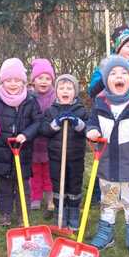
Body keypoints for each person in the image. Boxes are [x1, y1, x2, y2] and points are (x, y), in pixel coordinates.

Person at [86, 56, 129, 257]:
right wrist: (91, 131)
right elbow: (93, 122)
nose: (119, 76)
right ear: (107, 79)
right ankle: (106, 233)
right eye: (114, 74)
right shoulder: (100, 101)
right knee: (108, 200)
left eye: (124, 73)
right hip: (107, 163)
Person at [0, 58, 42, 227]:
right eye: (8, 80)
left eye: (17, 80)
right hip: (2, 151)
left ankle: (23, 215)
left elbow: (38, 121)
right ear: (2, 81)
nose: (12, 84)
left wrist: (26, 134)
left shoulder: (30, 100)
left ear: (23, 81)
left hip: (22, 152)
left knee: (23, 187)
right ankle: (5, 213)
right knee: (4, 187)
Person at [39, 74, 88, 231]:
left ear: (75, 92)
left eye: (69, 88)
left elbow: (88, 129)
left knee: (74, 185)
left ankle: (73, 214)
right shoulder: (51, 111)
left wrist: (77, 122)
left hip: (76, 157)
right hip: (56, 157)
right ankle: (60, 214)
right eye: (61, 88)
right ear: (56, 91)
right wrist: (56, 123)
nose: (65, 91)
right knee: (58, 185)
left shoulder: (80, 110)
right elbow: (44, 130)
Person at [29, 58, 56, 218]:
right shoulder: (30, 97)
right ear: (33, 81)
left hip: (50, 142)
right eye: (40, 78)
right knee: (35, 172)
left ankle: (50, 197)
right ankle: (35, 197)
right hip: (33, 142)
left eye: (47, 78)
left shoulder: (55, 96)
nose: (44, 81)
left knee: (48, 171)